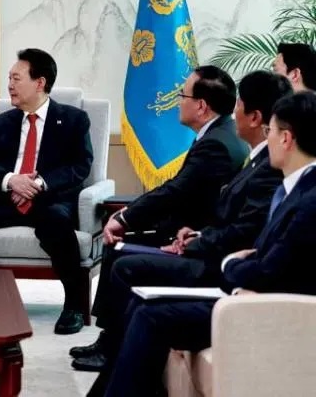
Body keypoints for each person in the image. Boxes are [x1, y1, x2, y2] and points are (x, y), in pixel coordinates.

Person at [89, 91, 316, 397]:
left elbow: (265, 267)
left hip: (266, 308)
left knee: (149, 315)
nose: (268, 138)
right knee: (141, 306)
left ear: (286, 138)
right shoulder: (297, 188)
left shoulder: (308, 200)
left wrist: (231, 264)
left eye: (271, 131)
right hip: (248, 293)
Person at [86, 65, 247, 357]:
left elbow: (176, 191)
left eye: (182, 95)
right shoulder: (221, 134)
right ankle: (109, 340)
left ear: (201, 106)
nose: (177, 101)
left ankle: (111, 347)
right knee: (116, 247)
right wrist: (128, 215)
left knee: (119, 253)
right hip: (185, 228)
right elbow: (179, 190)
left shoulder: (216, 144)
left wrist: (125, 217)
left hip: (190, 239)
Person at [0, 48, 94, 334]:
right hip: (7, 200)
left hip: (48, 200)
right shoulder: (2, 122)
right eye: (9, 79)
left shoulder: (73, 120)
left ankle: (74, 305)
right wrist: (11, 180)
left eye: (16, 78)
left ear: (40, 83)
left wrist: (39, 184)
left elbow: (80, 166)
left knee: (56, 221)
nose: (10, 85)